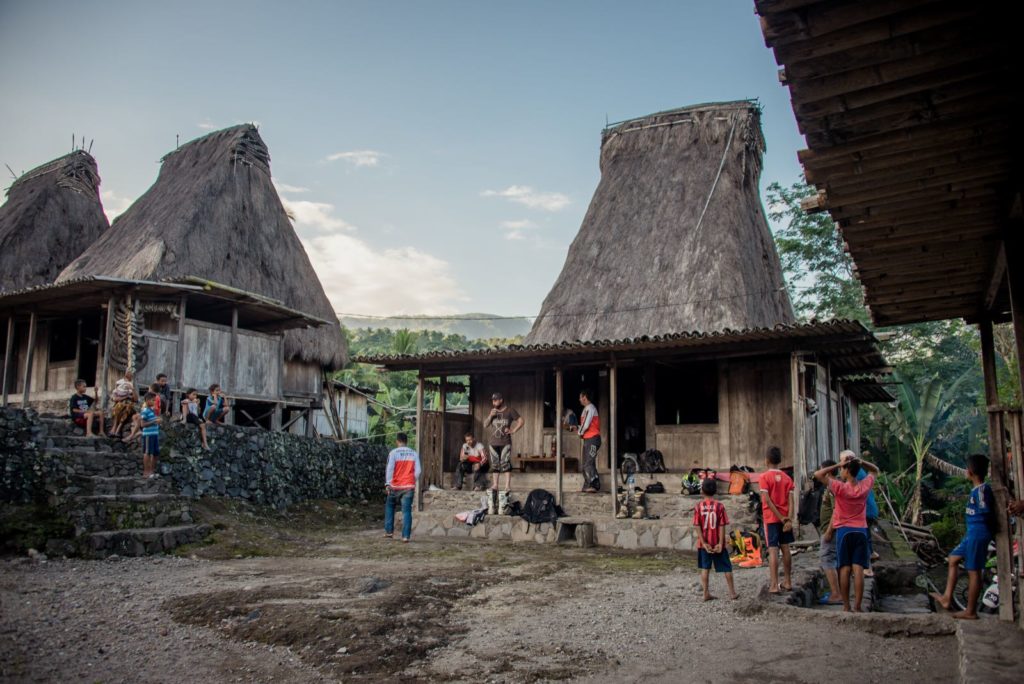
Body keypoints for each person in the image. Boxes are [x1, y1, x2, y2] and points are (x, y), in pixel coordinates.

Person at [930, 454, 996, 619]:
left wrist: (989, 533)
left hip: (977, 534)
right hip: (972, 533)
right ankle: (946, 598)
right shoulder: (977, 490)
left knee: (974, 572)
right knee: (953, 559)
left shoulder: (981, 491)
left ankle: (970, 611)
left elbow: (987, 513)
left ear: (970, 472)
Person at [814, 450, 879, 612]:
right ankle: (857, 606)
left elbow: (818, 474)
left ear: (846, 470)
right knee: (858, 569)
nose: (841, 471)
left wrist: (838, 464)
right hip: (861, 531)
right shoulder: (864, 487)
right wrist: (860, 461)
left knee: (844, 568)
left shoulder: (839, 488)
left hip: (843, 531)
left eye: (843, 469)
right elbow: (875, 470)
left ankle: (846, 606)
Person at [693, 478, 738, 601]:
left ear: (702, 491)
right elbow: (722, 525)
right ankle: (732, 593)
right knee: (727, 567)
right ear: (715, 491)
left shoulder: (698, 507)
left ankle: (705, 593)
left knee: (705, 568)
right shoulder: (720, 506)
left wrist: (703, 542)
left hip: (704, 545)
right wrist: (720, 542)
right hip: (719, 544)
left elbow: (697, 526)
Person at [760, 446, 794, 594]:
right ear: (780, 460)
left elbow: (766, 500)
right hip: (785, 518)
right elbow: (791, 500)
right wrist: (788, 519)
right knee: (785, 548)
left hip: (771, 518)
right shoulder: (787, 478)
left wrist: (779, 517)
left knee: (773, 550)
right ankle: (787, 581)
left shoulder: (764, 477)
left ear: (766, 460)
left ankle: (774, 584)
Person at [384, 432, 421, 543]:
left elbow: (390, 469)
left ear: (397, 441)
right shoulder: (414, 453)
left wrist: (388, 483)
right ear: (406, 441)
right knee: (406, 511)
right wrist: (412, 480)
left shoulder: (393, 453)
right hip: (408, 486)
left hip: (395, 486)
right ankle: (405, 536)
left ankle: (389, 532)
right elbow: (418, 471)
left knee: (390, 506)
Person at [816, 459, 843, 605]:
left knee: (827, 560)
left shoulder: (833, 487)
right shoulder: (833, 487)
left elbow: (836, 510)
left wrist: (828, 531)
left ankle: (836, 594)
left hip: (831, 530)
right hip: (832, 529)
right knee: (833, 560)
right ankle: (837, 591)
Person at [484, 392, 522, 493]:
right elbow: (485, 425)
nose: (494, 402)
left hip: (505, 442)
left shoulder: (510, 410)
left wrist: (513, 430)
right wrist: (490, 415)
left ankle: (507, 486)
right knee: (495, 465)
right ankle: (495, 485)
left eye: (496, 400)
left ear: (501, 400)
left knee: (505, 463)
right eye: (493, 400)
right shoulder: (492, 412)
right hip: (493, 443)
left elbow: (521, 421)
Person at [578, 390, 602, 493]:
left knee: (588, 463)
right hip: (588, 439)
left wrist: (580, 432)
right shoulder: (586, 409)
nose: (579, 399)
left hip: (593, 439)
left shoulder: (590, 408)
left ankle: (593, 485)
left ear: (584, 397)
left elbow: (586, 425)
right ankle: (590, 485)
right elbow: (584, 425)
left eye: (580, 397)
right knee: (587, 464)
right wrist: (578, 428)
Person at [108, 369, 138, 437]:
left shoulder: (132, 386)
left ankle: (118, 428)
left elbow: (136, 399)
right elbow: (115, 399)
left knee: (127, 408)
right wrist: (125, 397)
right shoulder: (118, 387)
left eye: (131, 374)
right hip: (119, 404)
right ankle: (115, 427)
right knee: (119, 406)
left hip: (129, 405)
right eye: (129, 374)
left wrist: (132, 389)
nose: (131, 375)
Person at [139, 392, 161, 479]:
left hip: (154, 434)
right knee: (147, 453)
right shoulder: (145, 411)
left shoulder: (152, 411)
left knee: (155, 453)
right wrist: (154, 422)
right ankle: (146, 472)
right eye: (153, 400)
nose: (154, 402)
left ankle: (152, 471)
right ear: (147, 401)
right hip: (148, 435)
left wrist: (157, 421)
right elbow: (142, 424)